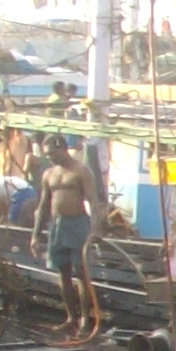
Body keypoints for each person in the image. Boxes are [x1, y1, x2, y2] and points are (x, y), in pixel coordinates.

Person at [38, 137, 100, 339]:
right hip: (57, 225)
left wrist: (95, 230)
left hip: (78, 224)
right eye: (46, 155)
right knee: (62, 273)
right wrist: (35, 234)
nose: (50, 158)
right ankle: (70, 318)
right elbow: (43, 205)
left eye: (52, 153)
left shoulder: (81, 171)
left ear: (62, 149)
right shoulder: (49, 174)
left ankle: (85, 320)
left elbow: (93, 199)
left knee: (81, 274)